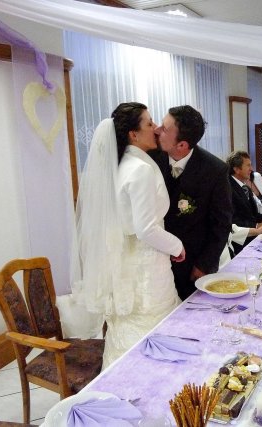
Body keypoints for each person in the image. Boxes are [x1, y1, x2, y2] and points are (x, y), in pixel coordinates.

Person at [73, 102, 186, 368]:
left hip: (127, 262)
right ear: (133, 134)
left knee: (130, 327)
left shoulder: (121, 166)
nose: (156, 128)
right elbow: (146, 228)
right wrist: (177, 246)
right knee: (151, 325)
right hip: (147, 267)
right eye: (149, 123)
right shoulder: (140, 170)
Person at [152, 105, 232, 300]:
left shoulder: (215, 170)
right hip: (155, 259)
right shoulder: (151, 157)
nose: (157, 130)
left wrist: (204, 265)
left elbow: (221, 224)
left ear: (181, 145)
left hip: (192, 263)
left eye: (164, 128)